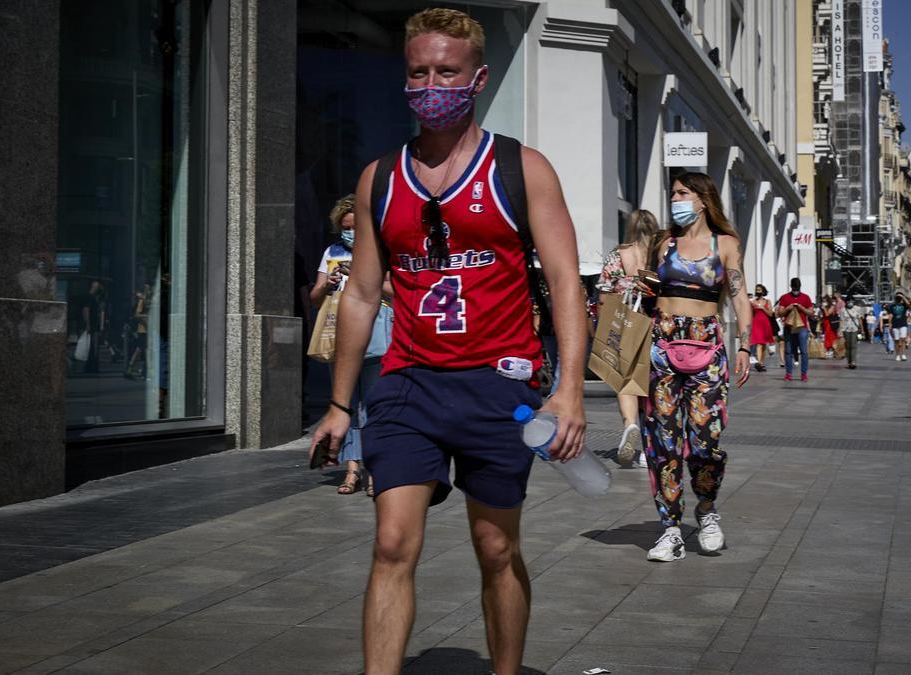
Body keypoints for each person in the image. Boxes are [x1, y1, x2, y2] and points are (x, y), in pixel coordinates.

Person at [308, 9, 588, 673]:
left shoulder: (522, 169)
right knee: (391, 542)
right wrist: (341, 403)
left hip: (500, 385)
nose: (431, 84)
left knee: (495, 547)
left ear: (479, 78)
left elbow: (565, 283)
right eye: (418, 71)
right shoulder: (380, 179)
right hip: (409, 383)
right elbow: (363, 294)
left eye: (447, 72)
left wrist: (568, 391)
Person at [643, 171, 752, 562]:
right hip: (662, 344)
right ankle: (670, 528)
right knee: (664, 442)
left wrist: (745, 346)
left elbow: (739, 296)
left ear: (704, 199)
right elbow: (651, 291)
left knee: (706, 441)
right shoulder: (663, 244)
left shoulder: (725, 245)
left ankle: (706, 510)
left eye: (682, 193)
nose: (675, 199)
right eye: (672, 193)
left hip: (706, 344)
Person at [310, 194, 394, 496]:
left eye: (356, 227)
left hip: (375, 336)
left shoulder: (380, 252)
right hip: (339, 336)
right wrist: (326, 283)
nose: (350, 232)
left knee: (371, 405)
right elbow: (315, 297)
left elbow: (395, 291)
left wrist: (360, 278)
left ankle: (375, 471)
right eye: (345, 227)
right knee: (346, 405)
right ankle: (352, 470)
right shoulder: (332, 252)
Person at [598, 209, 659, 467]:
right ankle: (649, 448)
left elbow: (603, 293)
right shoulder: (660, 255)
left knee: (626, 381)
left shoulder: (618, 254)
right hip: (656, 324)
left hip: (625, 323)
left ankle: (630, 424)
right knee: (653, 386)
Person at [776, 278, 815, 382]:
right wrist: (787, 309)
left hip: (802, 327)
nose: (795, 290)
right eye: (794, 288)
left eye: (797, 288)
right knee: (788, 351)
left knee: (804, 351)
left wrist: (801, 307)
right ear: (791, 287)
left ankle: (804, 374)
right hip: (789, 327)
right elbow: (779, 313)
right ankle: (788, 374)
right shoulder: (784, 297)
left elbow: (811, 313)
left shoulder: (806, 298)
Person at [749, 284, 775, 372]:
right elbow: (751, 314)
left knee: (763, 344)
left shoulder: (768, 301)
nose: (758, 291)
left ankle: (762, 362)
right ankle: (759, 363)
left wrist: (763, 308)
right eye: (756, 290)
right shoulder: (752, 302)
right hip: (756, 324)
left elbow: (770, 314)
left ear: (763, 291)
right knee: (759, 343)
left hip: (765, 324)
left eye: (759, 289)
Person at [840, 296, 866, 369]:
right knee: (848, 346)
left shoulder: (857, 309)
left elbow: (859, 319)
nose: (850, 303)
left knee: (853, 345)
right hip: (846, 329)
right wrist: (840, 330)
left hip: (855, 328)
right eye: (848, 301)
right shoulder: (843, 310)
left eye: (851, 301)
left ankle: (853, 361)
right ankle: (849, 362)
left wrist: (862, 329)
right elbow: (841, 320)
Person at [888, 294, 911, 362]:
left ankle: (903, 354)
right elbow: (891, 315)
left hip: (903, 324)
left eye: (899, 297)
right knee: (896, 340)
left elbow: (909, 304)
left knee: (903, 339)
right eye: (897, 297)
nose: (898, 298)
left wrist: (903, 297)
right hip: (895, 324)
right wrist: (890, 324)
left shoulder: (904, 305)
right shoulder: (892, 306)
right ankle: (897, 355)